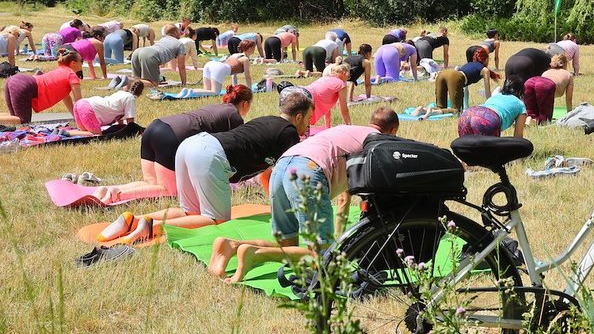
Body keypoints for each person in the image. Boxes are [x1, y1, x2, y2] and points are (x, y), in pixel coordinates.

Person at [208, 107, 400, 283]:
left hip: (282, 167)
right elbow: (347, 198)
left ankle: (232, 245)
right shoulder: (376, 142)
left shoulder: (347, 130)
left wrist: (337, 238)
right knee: (322, 258)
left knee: (288, 247)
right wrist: (330, 245)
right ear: (392, 131)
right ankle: (256, 254)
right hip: (307, 172)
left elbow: (345, 195)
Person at [97, 89, 312, 244]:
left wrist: (272, 204)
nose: (309, 125)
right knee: (216, 220)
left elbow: (267, 173)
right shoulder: (289, 133)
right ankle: (152, 227)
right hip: (210, 154)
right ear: (299, 116)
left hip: (191, 145)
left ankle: (134, 220)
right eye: (308, 119)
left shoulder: (268, 120)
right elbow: (284, 176)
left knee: (190, 212)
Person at [89, 87, 252, 204]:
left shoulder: (218, 107)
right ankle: (118, 194)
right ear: (244, 103)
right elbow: (234, 151)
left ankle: (109, 189)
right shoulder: (234, 116)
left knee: (151, 183)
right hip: (171, 137)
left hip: (155, 127)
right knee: (169, 190)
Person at [1, 49, 82, 125]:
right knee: (23, 121)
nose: (82, 63)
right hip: (24, 85)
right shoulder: (72, 75)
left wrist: (75, 117)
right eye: (81, 61)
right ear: (73, 63)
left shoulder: (62, 70)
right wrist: (82, 120)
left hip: (14, 80)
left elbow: (66, 98)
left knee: (14, 117)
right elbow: (79, 102)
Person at [423, 47, 496, 117]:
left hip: (442, 74)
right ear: (486, 59)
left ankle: (422, 110)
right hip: (455, 76)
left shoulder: (468, 64)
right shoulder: (485, 70)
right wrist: (490, 107)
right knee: (456, 111)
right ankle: (432, 112)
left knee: (440, 107)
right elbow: (487, 91)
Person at [458, 78, 527, 138]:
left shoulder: (496, 96)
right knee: (490, 151)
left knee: (466, 149)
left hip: (468, 114)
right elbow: (518, 136)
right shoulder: (520, 104)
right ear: (520, 90)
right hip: (488, 118)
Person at [73, 80, 145, 134]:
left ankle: (69, 134)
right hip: (88, 109)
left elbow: (120, 120)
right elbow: (130, 123)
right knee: (95, 135)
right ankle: (68, 134)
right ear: (140, 93)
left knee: (84, 133)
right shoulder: (130, 98)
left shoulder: (120, 93)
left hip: (80, 104)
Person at [305, 63, 352, 128]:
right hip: (310, 99)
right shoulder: (341, 84)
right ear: (344, 73)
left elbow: (327, 107)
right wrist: (349, 126)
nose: (347, 79)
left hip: (304, 91)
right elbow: (344, 109)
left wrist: (327, 126)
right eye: (348, 77)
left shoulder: (326, 78)